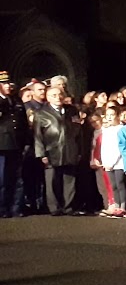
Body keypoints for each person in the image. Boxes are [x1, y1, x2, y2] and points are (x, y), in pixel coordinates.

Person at [33, 88, 83, 216]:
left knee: (69, 180)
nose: (58, 97)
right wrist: (41, 154)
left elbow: (79, 131)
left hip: (70, 148)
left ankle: (69, 206)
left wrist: (79, 150)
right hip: (52, 151)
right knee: (52, 180)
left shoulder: (72, 110)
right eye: (54, 95)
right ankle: (54, 207)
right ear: (48, 98)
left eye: (60, 94)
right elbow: (37, 136)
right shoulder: (41, 113)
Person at [1, 70, 32, 217]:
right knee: (3, 178)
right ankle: (3, 208)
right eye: (4, 83)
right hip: (2, 146)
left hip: (16, 145)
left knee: (17, 178)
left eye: (8, 83)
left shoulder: (16, 101)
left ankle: (16, 207)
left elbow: (23, 124)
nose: (8, 86)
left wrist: (26, 141)